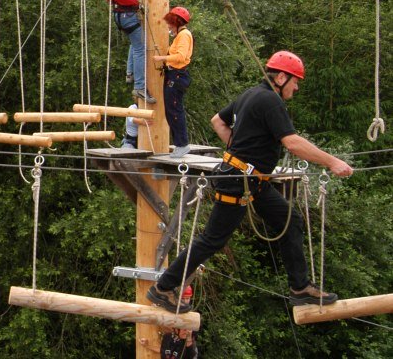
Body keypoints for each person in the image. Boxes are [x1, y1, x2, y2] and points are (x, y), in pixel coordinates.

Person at [147, 51, 354, 313]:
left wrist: (241, 151)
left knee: (290, 220)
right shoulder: (271, 101)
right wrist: (332, 162)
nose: (297, 87)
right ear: (281, 77)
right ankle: (163, 287)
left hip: (252, 180)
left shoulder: (250, 95)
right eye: (295, 81)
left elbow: (217, 121)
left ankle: (300, 287)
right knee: (213, 240)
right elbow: (291, 142)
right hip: (240, 181)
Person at [94, 0, 155, 104]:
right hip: (127, 15)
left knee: (135, 44)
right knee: (140, 48)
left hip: (122, 15)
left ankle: (130, 73)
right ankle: (140, 86)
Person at [153, 6, 194, 158]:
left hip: (177, 75)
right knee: (171, 110)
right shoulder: (180, 36)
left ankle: (182, 144)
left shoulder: (184, 35)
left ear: (176, 22)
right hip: (174, 75)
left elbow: (181, 57)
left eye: (170, 23)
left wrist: (161, 58)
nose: (169, 26)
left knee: (175, 110)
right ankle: (180, 144)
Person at [140, 286, 199, 358]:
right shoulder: (169, 338)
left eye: (188, 298)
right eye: (183, 298)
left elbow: (191, 355)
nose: (186, 301)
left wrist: (189, 339)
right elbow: (165, 351)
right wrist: (148, 346)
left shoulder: (188, 342)